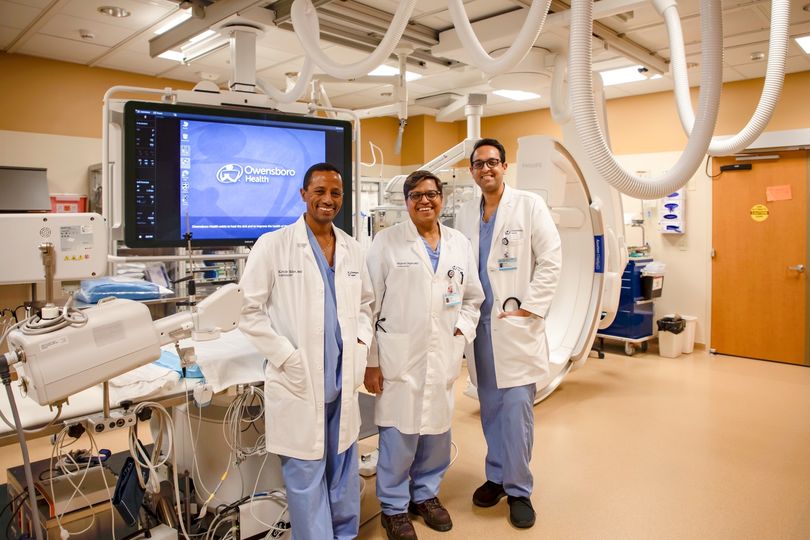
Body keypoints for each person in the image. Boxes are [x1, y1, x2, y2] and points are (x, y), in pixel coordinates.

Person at [240, 162, 374, 540]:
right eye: (319, 191)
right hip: (299, 378)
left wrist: (362, 343)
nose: (327, 200)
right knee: (305, 473)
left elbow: (366, 305)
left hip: (342, 376)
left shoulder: (351, 248)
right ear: (303, 195)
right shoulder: (274, 245)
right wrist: (287, 357)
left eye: (335, 193)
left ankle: (345, 534)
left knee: (344, 468)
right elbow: (249, 314)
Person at [365, 170, 484, 540]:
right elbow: (367, 306)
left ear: (442, 199)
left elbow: (472, 297)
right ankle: (394, 507)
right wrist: (371, 361)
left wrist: (462, 329)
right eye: (416, 195)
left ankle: (426, 495)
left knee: (436, 432)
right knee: (399, 437)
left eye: (431, 194)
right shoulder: (386, 243)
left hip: (443, 353)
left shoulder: (459, 243)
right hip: (398, 355)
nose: (425, 201)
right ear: (406, 202)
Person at [455, 138, 562, 529]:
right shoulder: (467, 212)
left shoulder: (529, 205)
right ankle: (496, 475)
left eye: (493, 162)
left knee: (516, 409)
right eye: (479, 164)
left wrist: (530, 307)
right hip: (479, 325)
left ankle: (519, 488)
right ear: (472, 171)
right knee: (491, 407)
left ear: (504, 167)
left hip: (514, 323)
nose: (487, 169)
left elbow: (551, 258)